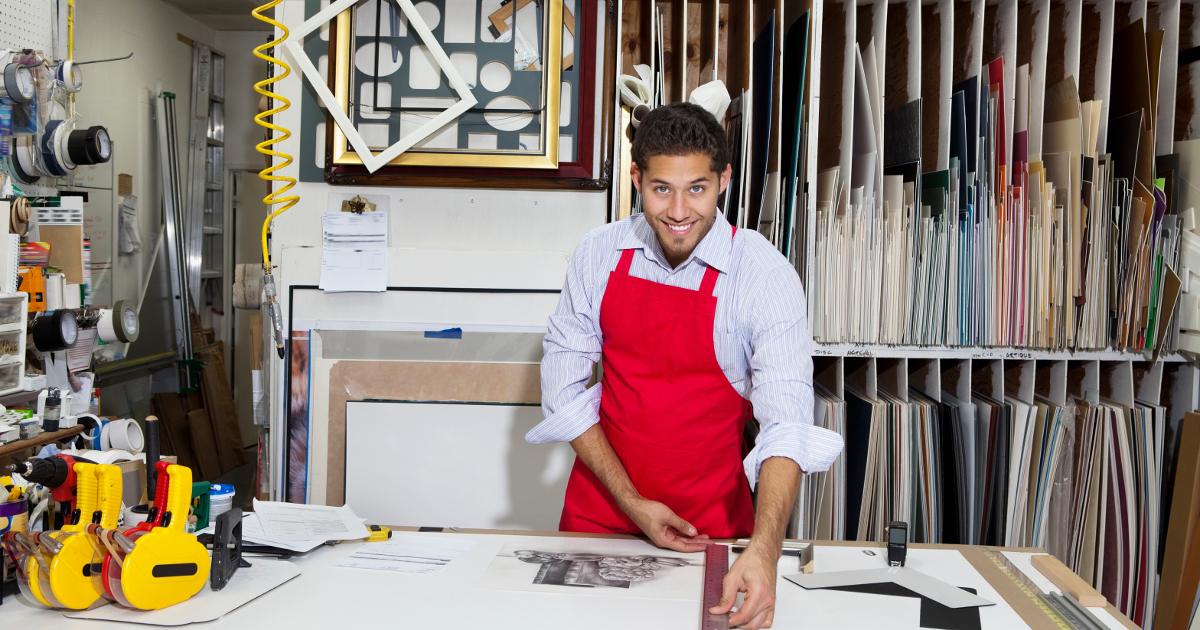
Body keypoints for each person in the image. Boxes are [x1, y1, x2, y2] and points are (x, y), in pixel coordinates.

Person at [528, 102, 843, 629]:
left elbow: (786, 424)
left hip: (711, 525)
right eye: (661, 189)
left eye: (696, 188)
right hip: (602, 511)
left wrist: (764, 550)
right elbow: (563, 392)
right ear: (636, 178)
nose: (678, 210)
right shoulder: (598, 254)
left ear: (724, 179)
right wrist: (632, 502)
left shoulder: (763, 274)